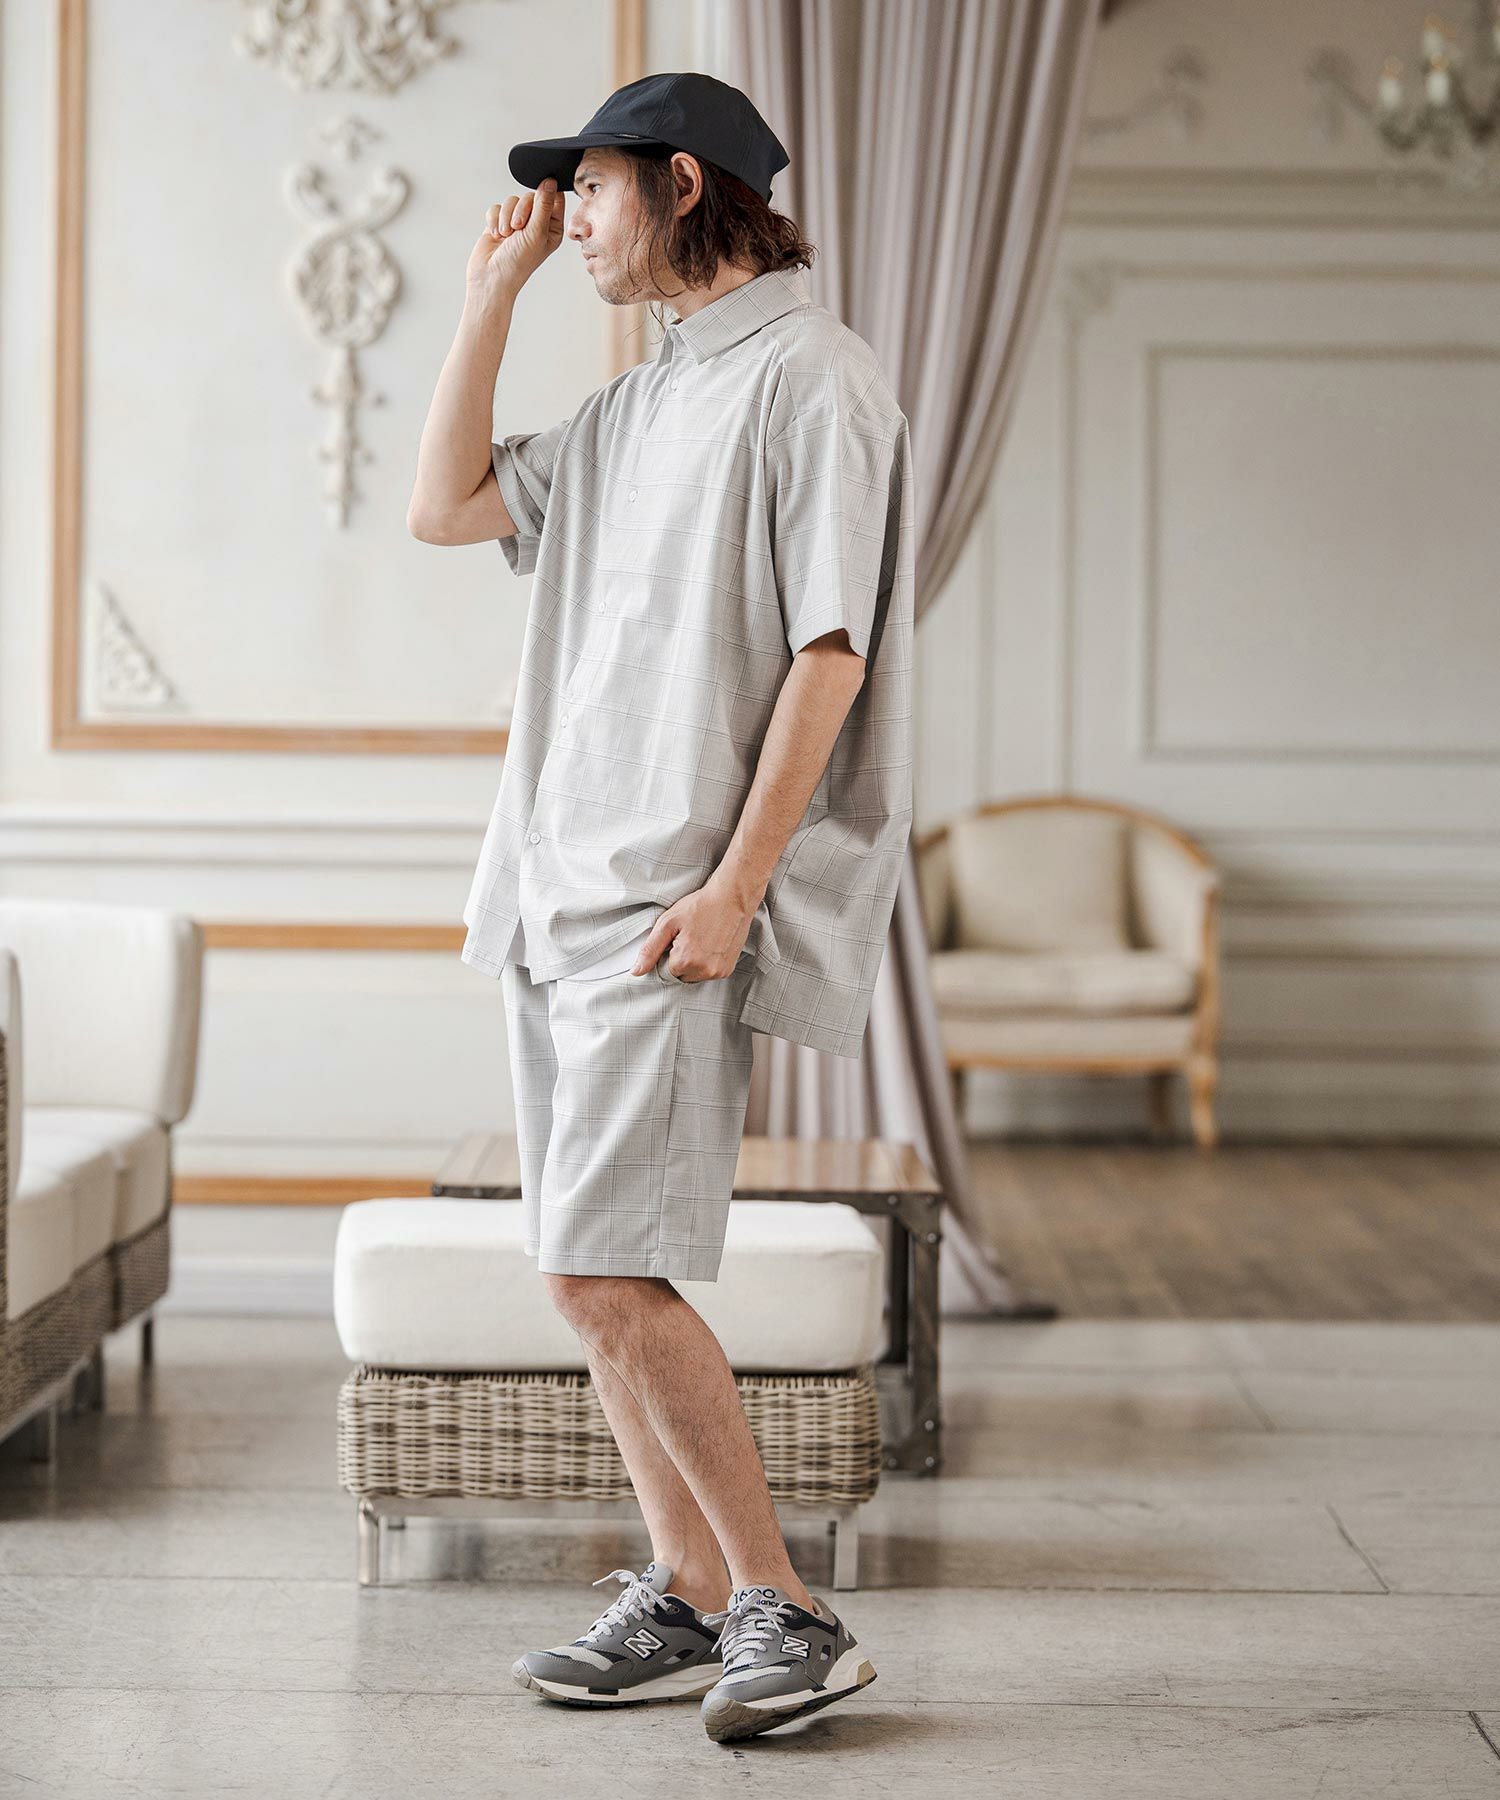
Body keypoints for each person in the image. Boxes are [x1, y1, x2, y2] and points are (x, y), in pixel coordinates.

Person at [407, 70, 913, 1744]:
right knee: (581, 1272)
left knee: (616, 1274)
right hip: (556, 893)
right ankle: (689, 1592)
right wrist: (490, 296)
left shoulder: (814, 381)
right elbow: (444, 506)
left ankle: (788, 1606)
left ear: (685, 185)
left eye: (593, 191)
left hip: (666, 905)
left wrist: (733, 891)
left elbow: (831, 655)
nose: (571, 221)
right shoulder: (639, 403)